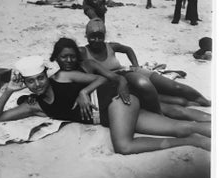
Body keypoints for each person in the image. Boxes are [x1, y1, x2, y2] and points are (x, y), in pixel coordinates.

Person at [0, 49, 211, 154]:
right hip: (113, 116)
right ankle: (195, 138)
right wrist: (9, 90)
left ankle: (190, 142)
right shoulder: (35, 106)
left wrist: (84, 92)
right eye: (31, 82)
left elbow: (102, 77)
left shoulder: (62, 77)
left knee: (124, 147)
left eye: (39, 78)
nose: (37, 84)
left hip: (116, 101)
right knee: (180, 127)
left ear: (46, 74)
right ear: (25, 84)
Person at [79, 18, 211, 120]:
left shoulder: (111, 46)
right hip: (117, 82)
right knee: (175, 100)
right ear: (86, 36)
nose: (96, 40)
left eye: (100, 36)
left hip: (130, 73)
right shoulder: (83, 52)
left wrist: (135, 65)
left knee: (176, 87)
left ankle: (204, 100)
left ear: (104, 36)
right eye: (92, 36)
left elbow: (128, 49)